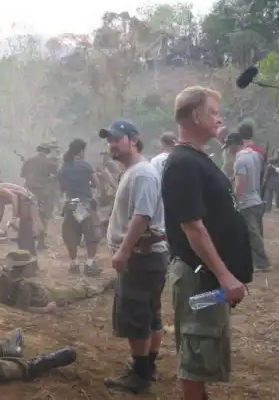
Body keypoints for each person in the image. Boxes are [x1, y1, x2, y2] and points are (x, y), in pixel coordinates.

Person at [162, 86, 252, 400]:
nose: (219, 118)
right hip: (198, 279)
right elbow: (193, 227)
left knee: (202, 341)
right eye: (212, 112)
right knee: (196, 347)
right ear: (194, 115)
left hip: (208, 280)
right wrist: (225, 276)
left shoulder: (199, 159)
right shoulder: (183, 163)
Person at [98, 120, 169, 393]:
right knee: (150, 314)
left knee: (137, 316)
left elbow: (143, 215)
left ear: (134, 140)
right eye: (109, 140)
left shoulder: (142, 173)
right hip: (146, 257)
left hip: (141, 256)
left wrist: (124, 250)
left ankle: (140, 375)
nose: (112, 145)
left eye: (117, 139)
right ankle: (147, 367)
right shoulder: (134, 171)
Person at [0, 251, 114, 313]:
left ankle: (92, 286)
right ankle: (101, 287)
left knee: (67, 287)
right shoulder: (24, 285)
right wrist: (46, 309)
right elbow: (22, 308)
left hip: (43, 291)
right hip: (48, 296)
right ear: (24, 268)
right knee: (77, 291)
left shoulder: (5, 277)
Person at [224, 133, 271, 272]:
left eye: (228, 146)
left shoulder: (240, 160)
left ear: (234, 144)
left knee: (252, 234)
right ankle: (255, 261)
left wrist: (234, 201)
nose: (228, 150)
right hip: (257, 199)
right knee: (254, 233)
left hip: (247, 202)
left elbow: (241, 185)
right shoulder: (254, 155)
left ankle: (262, 263)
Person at [57, 138, 102, 276]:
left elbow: (62, 188)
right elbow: (96, 184)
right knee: (91, 233)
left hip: (70, 204)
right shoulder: (85, 165)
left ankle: (74, 263)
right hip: (84, 204)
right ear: (81, 151)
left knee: (70, 234)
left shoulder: (63, 167)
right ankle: (89, 263)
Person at [21, 143, 58, 250]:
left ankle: (28, 242)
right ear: (47, 151)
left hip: (28, 192)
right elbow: (55, 176)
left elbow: (23, 175)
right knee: (42, 216)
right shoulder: (50, 162)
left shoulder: (28, 160)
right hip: (43, 193)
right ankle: (41, 243)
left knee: (28, 216)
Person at [0, 182, 44, 256]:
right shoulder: (0, 197)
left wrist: (14, 218)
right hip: (27, 199)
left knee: (28, 225)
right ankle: (28, 251)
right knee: (26, 227)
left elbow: (14, 197)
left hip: (27, 199)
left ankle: (29, 252)